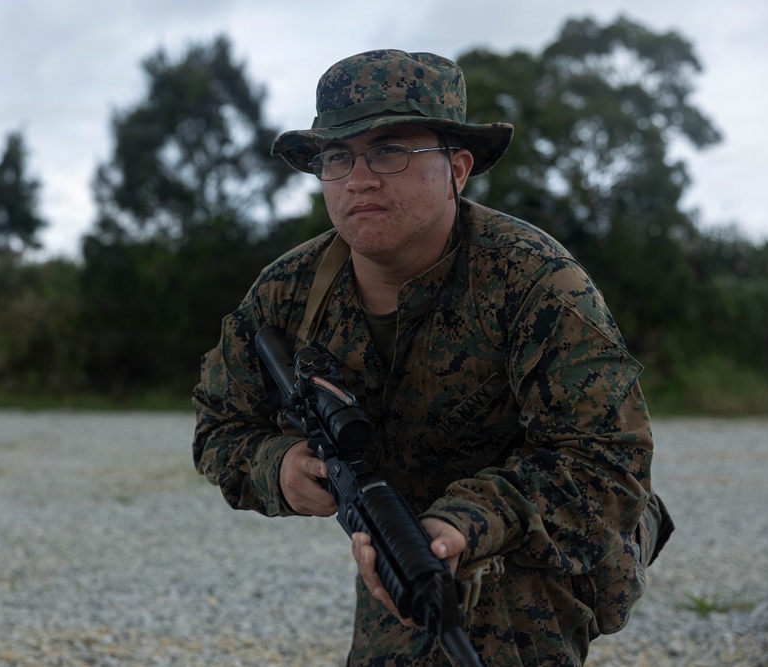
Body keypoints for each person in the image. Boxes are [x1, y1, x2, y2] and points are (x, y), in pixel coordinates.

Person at [192, 49, 666, 666]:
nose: (359, 180)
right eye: (337, 157)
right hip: (402, 534)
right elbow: (219, 428)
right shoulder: (285, 295)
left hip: (549, 534)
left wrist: (465, 523)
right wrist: (277, 467)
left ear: (456, 170)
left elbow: (607, 461)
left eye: (390, 151)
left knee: (493, 624)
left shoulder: (536, 281)